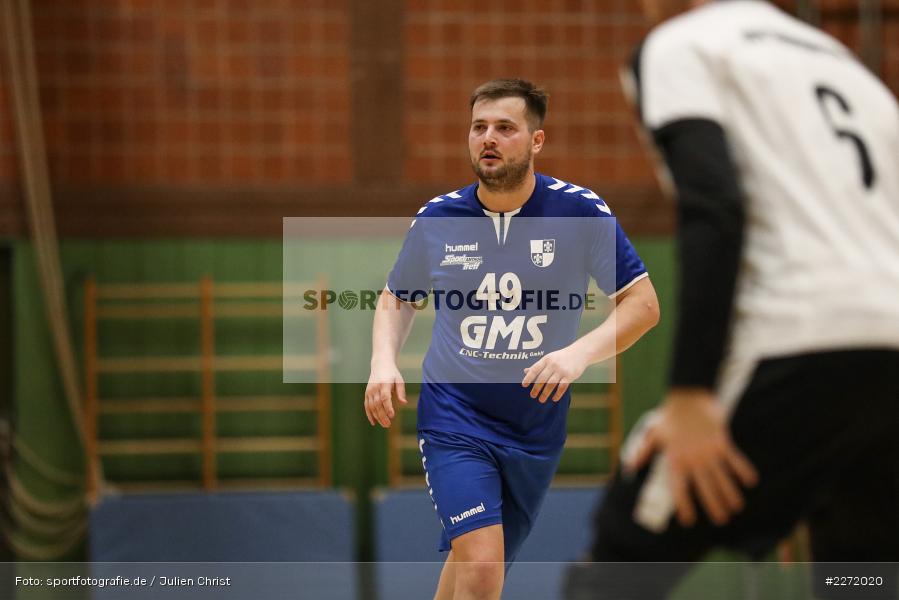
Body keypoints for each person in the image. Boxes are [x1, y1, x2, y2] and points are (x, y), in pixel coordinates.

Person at [564, 1, 899, 598]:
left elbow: (714, 206)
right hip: (889, 354)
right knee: (862, 571)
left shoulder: (683, 45)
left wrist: (692, 395)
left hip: (803, 336)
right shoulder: (849, 68)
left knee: (622, 560)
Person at [364, 78, 660, 600]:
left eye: (505, 127)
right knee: (482, 567)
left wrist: (577, 355)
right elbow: (396, 298)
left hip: (534, 430)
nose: (488, 138)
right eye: (479, 127)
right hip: (455, 418)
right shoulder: (439, 218)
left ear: (536, 141)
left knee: (469, 568)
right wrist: (383, 361)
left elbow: (644, 306)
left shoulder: (580, 213)